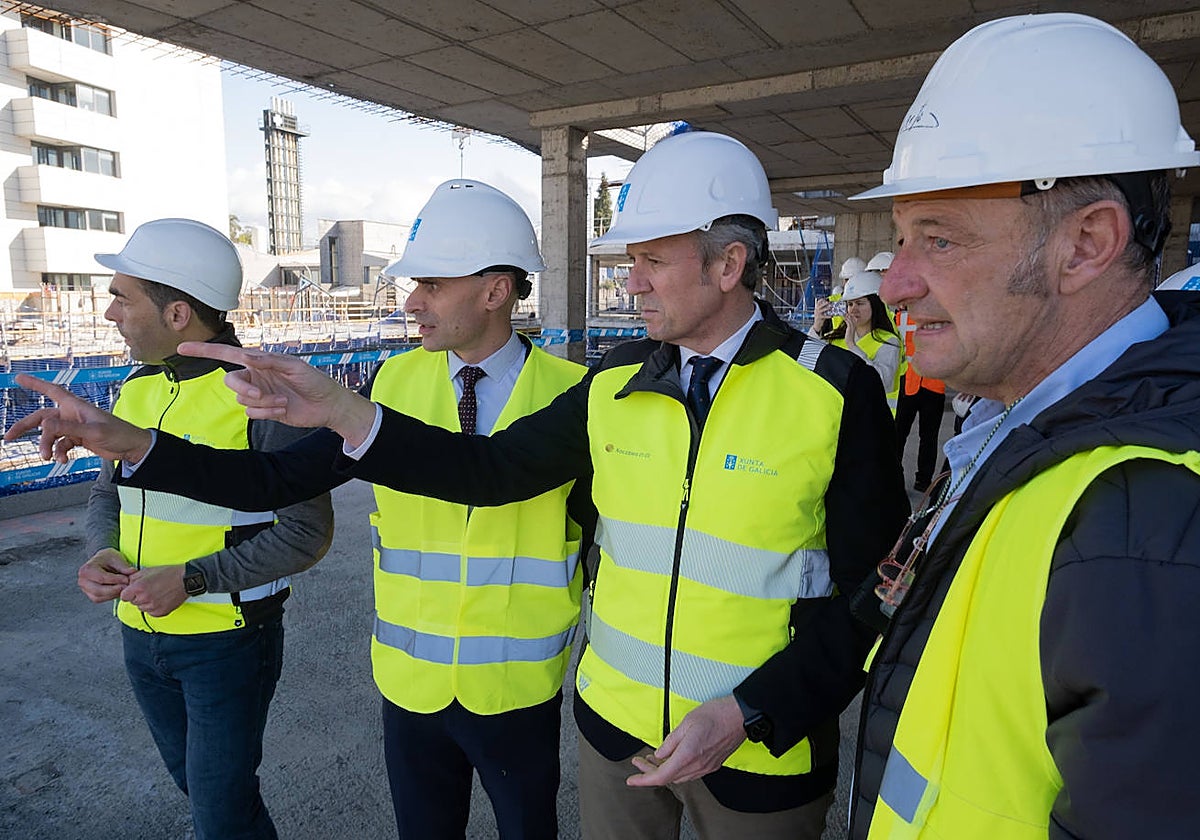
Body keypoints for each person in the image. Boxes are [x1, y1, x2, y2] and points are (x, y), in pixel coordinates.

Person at [9, 133, 910, 839]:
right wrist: (136, 441)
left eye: (651, 261)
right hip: (613, 730)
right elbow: (470, 474)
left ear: (728, 265)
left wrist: (759, 710)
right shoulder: (615, 386)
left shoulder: (834, 389)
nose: (626, 282)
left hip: (747, 746)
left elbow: (874, 588)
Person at [20, 182, 589, 840]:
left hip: (518, 688)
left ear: (494, 291)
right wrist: (136, 444)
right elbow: (277, 481)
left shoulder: (575, 396)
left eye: (430, 283)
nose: (411, 303)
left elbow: (591, 539)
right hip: (409, 683)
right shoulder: (394, 383)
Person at [842, 12, 1200, 839]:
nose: (894, 285)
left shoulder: (1148, 520)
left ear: (1086, 246)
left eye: (938, 239)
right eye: (900, 240)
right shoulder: (1016, 423)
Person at [78, 218, 334, 839]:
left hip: (227, 643)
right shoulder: (138, 389)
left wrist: (191, 580)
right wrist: (100, 551)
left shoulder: (262, 397)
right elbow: (106, 495)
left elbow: (307, 533)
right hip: (141, 637)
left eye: (122, 297)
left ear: (178, 315)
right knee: (209, 800)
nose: (110, 312)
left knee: (220, 815)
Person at [811, 270, 903, 411]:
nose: (853, 310)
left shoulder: (888, 341)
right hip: (838, 417)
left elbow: (883, 382)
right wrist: (817, 326)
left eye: (860, 303)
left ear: (875, 304)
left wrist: (852, 346)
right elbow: (808, 361)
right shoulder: (836, 338)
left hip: (873, 419)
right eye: (850, 304)